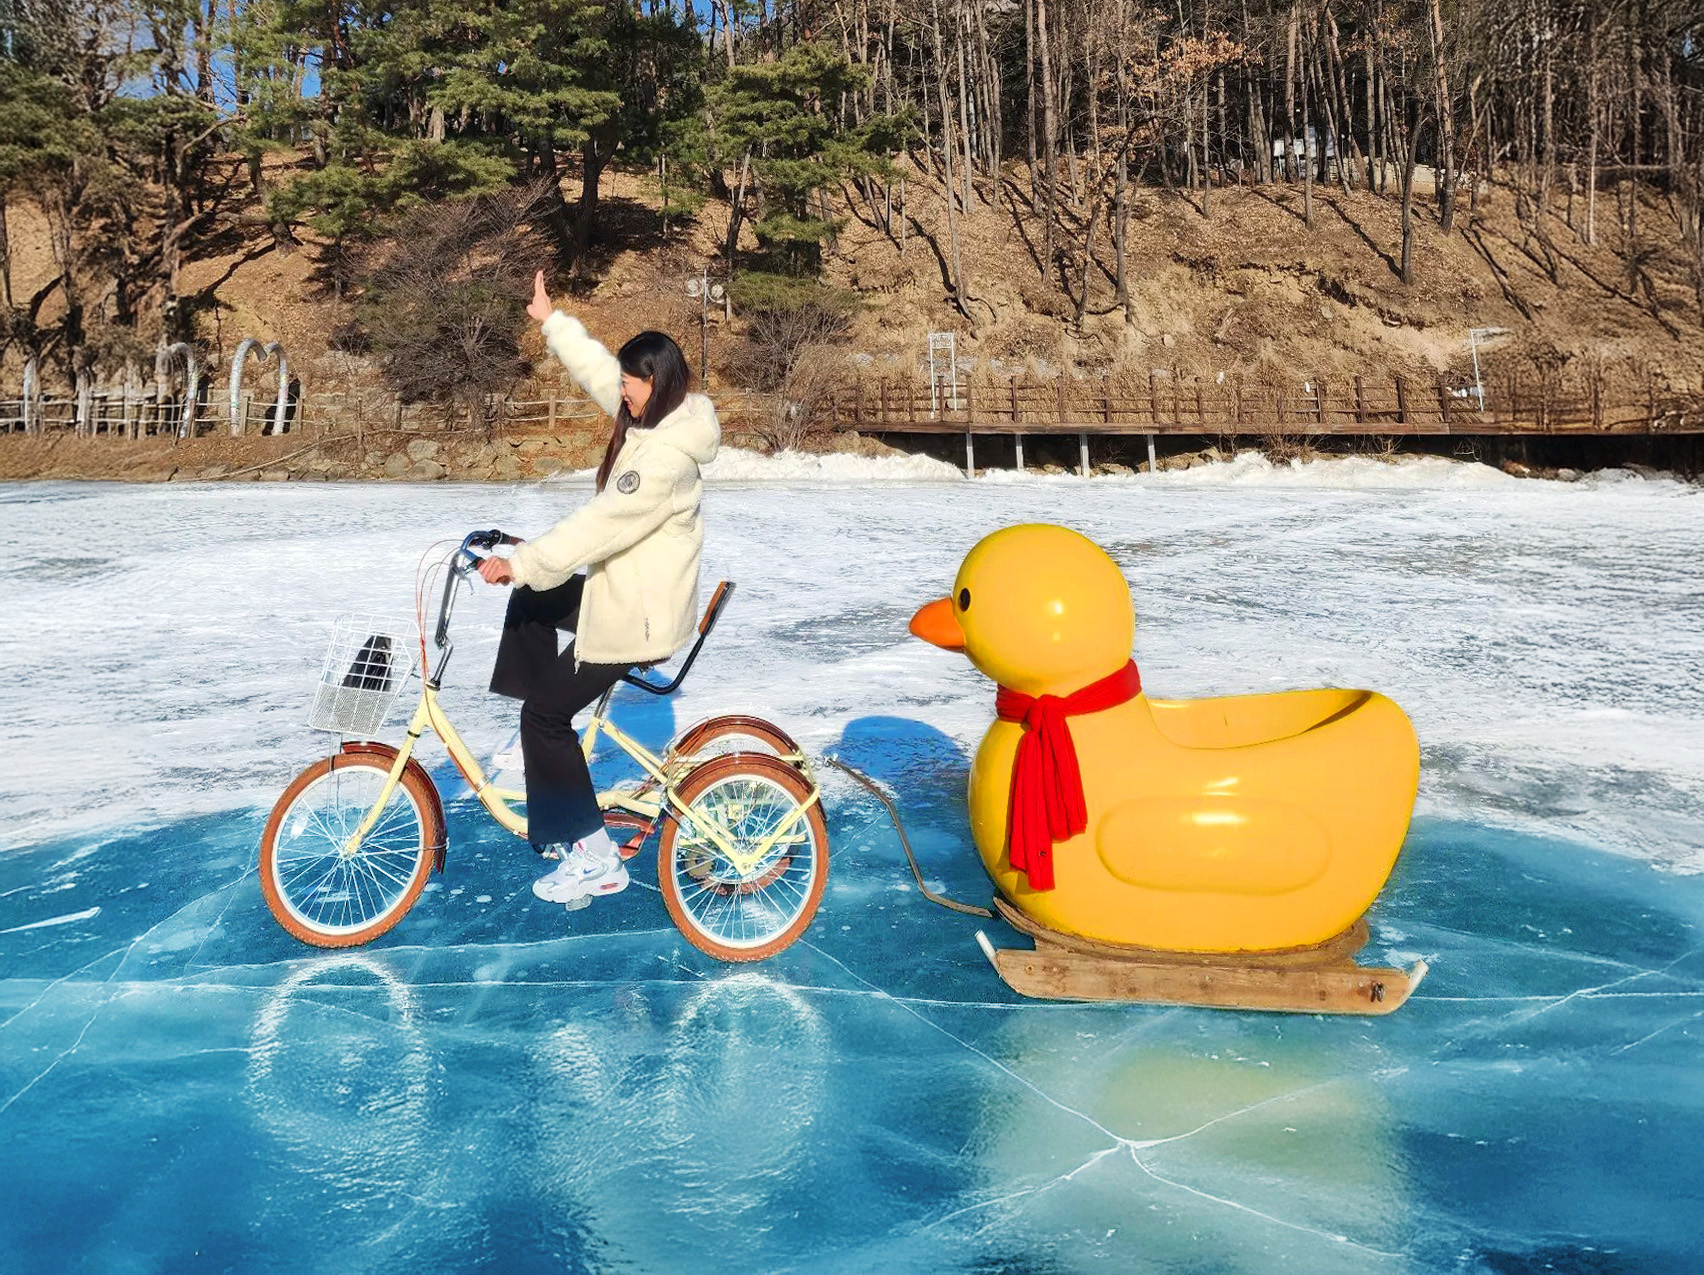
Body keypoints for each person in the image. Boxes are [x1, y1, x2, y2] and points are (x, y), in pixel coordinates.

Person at [477, 270, 719, 905]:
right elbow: (598, 373)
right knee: (533, 601)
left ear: (657, 383)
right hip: (626, 593)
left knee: (547, 715)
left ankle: (596, 856)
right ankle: (537, 748)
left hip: (636, 616)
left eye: (632, 385)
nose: (624, 395)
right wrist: (552, 321)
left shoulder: (664, 459)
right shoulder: (656, 414)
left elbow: (600, 525)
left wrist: (522, 559)